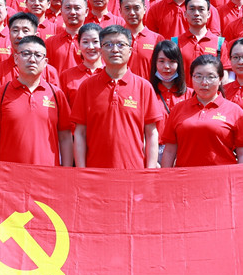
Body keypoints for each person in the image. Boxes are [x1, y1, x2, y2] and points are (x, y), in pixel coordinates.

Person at [71, 25, 164, 169]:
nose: (115, 49)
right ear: (101, 50)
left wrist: (150, 171)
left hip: (134, 172)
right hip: (95, 172)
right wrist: (81, 170)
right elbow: (80, 133)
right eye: (108, 45)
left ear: (130, 51)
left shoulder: (143, 87)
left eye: (121, 44)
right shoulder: (87, 87)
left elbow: (151, 134)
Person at [0, 35, 73, 166]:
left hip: (47, 173)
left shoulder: (56, 95)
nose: (32, 59)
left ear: (45, 62)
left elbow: (65, 138)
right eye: (26, 54)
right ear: (16, 58)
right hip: (9, 173)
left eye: (38, 55)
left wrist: (66, 171)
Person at [160, 54, 243, 167]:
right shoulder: (178, 109)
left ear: (220, 79)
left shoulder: (235, 111)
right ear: (191, 78)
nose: (204, 82)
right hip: (186, 176)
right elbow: (169, 151)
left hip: (222, 176)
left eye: (210, 77)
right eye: (198, 76)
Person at [149, 39, 192, 156]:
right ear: (154, 63)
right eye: (161, 61)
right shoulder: (147, 92)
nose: (166, 66)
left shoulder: (191, 94)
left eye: (172, 61)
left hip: (183, 151)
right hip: (154, 150)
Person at [119, 0, 163, 79]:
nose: (132, 13)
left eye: (136, 8)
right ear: (120, 11)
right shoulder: (115, 39)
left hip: (149, 87)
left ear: (145, 9)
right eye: (127, 8)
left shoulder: (157, 39)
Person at [60, 23, 104, 106]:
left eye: (95, 41)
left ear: (103, 44)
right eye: (85, 42)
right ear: (79, 45)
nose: (90, 47)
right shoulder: (66, 76)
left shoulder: (111, 74)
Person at [175, 0, 220, 69]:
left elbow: (225, 73)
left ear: (208, 14)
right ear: (185, 14)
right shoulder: (175, 43)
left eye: (201, 9)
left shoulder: (220, 43)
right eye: (192, 9)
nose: (196, 13)